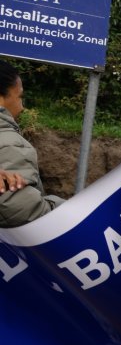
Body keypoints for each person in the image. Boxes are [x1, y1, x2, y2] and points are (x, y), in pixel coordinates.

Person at [0, 60, 64, 227]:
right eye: (20, 96)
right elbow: (19, 209)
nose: (22, 107)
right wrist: (69, 210)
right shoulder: (10, 143)